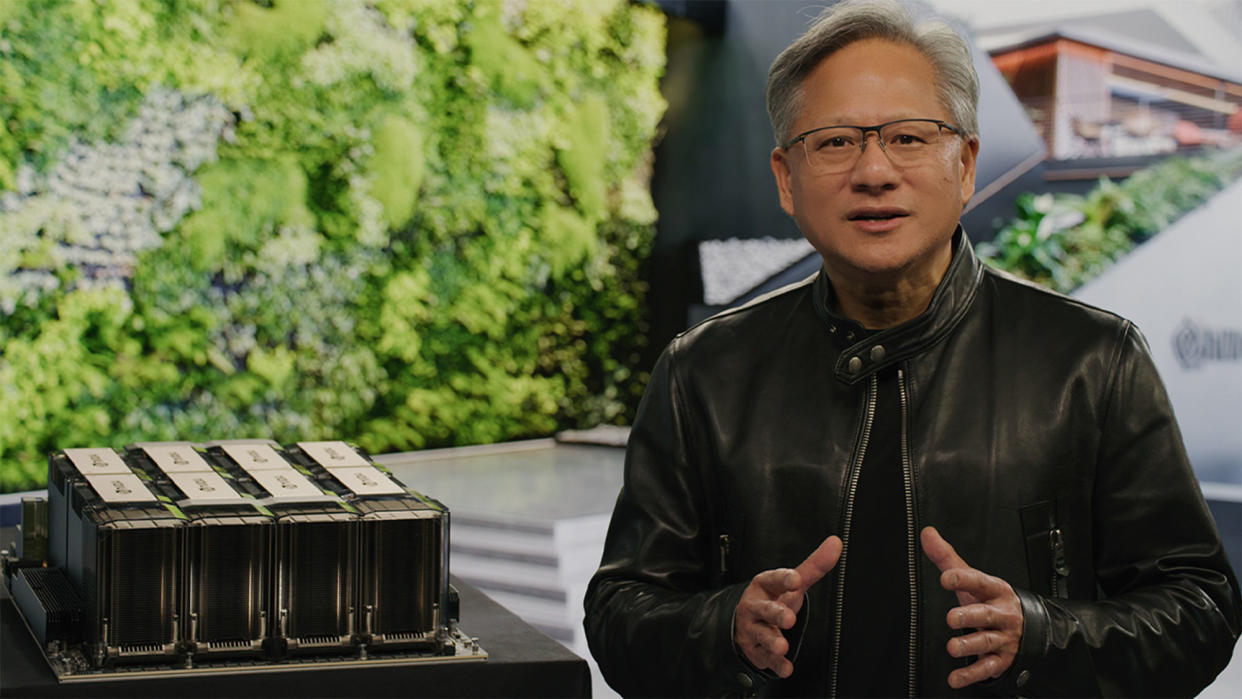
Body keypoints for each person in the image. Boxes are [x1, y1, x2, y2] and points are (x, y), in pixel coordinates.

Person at [582, 0, 1242, 696]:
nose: (873, 171)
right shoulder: (703, 373)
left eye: (908, 137)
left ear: (966, 166)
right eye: (835, 141)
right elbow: (622, 611)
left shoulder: (1094, 361)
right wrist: (723, 627)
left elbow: (1199, 609)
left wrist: (1044, 633)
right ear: (785, 178)